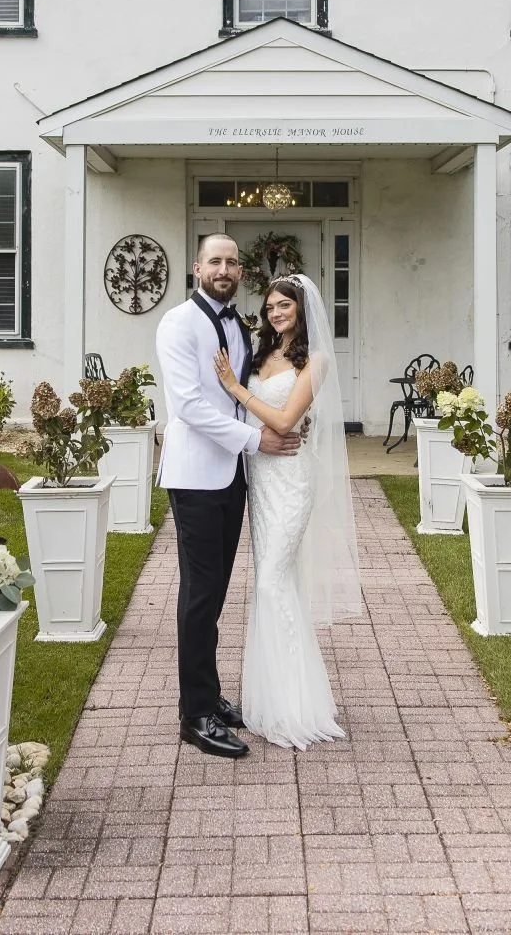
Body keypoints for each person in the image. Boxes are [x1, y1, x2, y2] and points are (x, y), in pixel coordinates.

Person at [153, 234, 303, 759]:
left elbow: (246, 396)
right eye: (214, 260)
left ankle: (211, 695)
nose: (223, 268)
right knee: (199, 593)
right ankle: (194, 715)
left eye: (231, 262)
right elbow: (189, 406)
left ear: (241, 271)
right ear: (197, 267)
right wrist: (256, 439)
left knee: (215, 592)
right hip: (195, 475)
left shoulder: (238, 324)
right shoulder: (178, 323)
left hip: (234, 475)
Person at [211, 273, 364, 749]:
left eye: (285, 306)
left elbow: (283, 419)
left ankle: (294, 708)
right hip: (260, 478)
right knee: (271, 581)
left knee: (273, 580)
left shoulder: (315, 361)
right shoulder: (263, 354)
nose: (277, 314)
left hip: (292, 480)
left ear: (303, 309)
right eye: (271, 306)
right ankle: (270, 699)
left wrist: (235, 387)